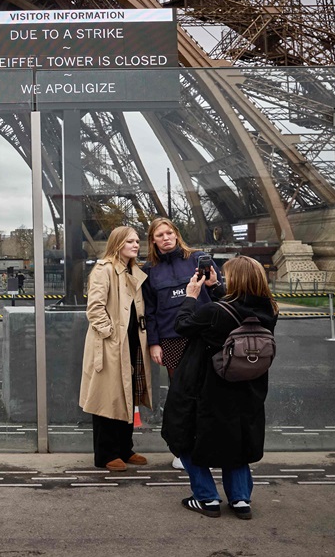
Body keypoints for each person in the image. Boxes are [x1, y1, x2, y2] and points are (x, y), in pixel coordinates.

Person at [160, 255, 278, 520]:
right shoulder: (269, 310)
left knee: (184, 435)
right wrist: (215, 289)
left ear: (236, 280)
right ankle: (240, 500)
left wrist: (191, 296)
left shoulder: (212, 312)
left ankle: (206, 498)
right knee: (235, 440)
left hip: (208, 387)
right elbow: (238, 309)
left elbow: (182, 325)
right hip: (248, 388)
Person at [142, 216, 219, 470]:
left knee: (208, 392)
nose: (165, 238)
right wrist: (154, 343)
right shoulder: (149, 271)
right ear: (152, 241)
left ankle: (209, 444)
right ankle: (183, 448)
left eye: (169, 233)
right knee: (180, 396)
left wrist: (215, 283)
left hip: (203, 335)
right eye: (159, 235)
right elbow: (150, 311)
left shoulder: (198, 259)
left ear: (176, 234)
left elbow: (220, 295)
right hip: (171, 339)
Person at [78, 225, 153, 471]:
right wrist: (110, 333)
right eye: (130, 241)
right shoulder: (104, 270)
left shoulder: (134, 270)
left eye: (137, 241)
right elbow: (95, 308)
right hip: (110, 344)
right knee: (106, 397)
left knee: (127, 396)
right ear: (118, 243)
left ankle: (124, 448)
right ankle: (106, 454)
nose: (136, 244)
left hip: (131, 341)